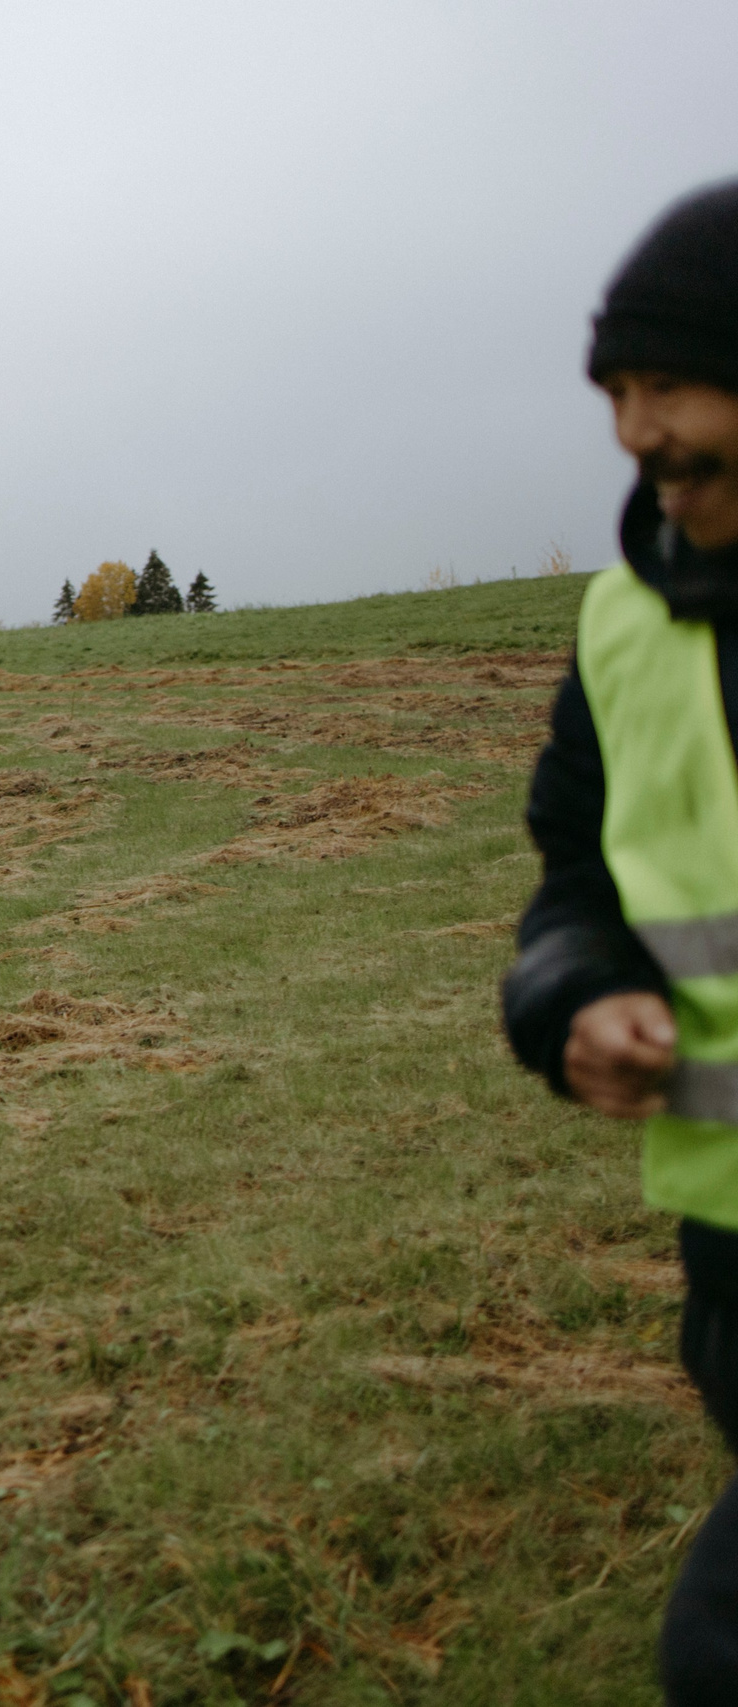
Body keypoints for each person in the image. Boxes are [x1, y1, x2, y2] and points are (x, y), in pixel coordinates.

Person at [503, 178, 738, 1704]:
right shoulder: (622, 631)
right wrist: (575, 996)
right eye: (618, 393)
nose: (637, 432)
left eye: (671, 384)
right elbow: (573, 888)